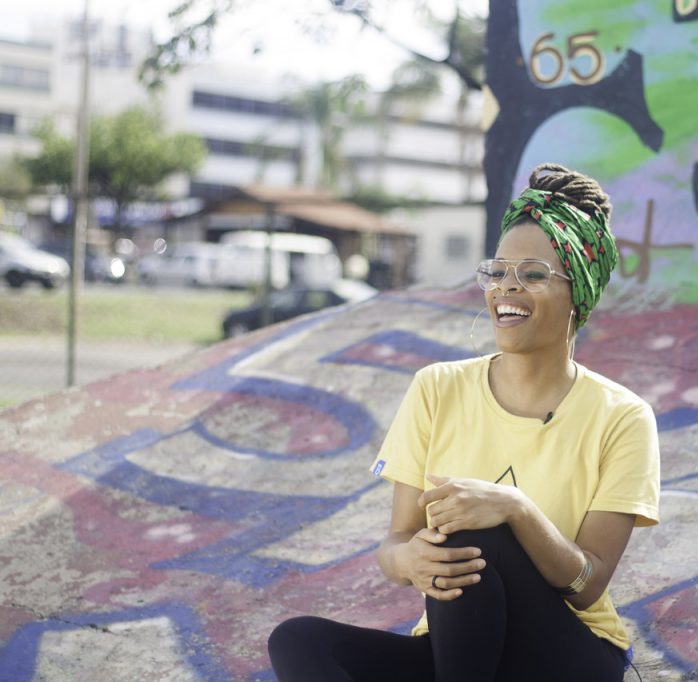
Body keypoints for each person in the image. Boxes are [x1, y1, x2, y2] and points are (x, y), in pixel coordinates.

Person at [267, 163, 661, 682]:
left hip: (569, 657)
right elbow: (396, 542)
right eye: (497, 272)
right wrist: (408, 561)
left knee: (470, 531)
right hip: (457, 653)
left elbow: (587, 583)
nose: (506, 289)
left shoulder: (622, 417)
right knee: (300, 641)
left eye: (534, 274)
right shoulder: (437, 387)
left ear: (578, 293)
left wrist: (518, 510)